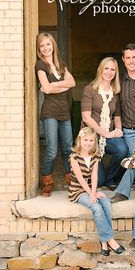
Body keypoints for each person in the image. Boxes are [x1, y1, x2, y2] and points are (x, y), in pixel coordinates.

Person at [68, 127, 125, 255]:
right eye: (85, 140)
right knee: (97, 208)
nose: (88, 143)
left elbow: (94, 176)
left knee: (105, 202)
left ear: (95, 142)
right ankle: (110, 240)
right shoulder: (74, 157)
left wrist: (94, 191)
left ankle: (104, 242)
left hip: (91, 189)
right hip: (78, 191)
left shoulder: (95, 157)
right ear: (80, 140)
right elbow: (81, 179)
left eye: (91, 140)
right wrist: (91, 194)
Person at [35, 32, 76, 197]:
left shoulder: (61, 65)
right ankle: (47, 181)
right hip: (50, 112)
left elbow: (72, 83)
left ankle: (72, 180)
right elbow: (47, 89)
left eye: (48, 44)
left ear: (53, 45)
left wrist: (55, 84)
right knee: (52, 149)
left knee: (68, 148)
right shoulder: (40, 65)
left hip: (64, 112)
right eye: (42, 45)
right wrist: (61, 85)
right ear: (39, 49)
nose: (46, 48)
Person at [81, 57, 128, 189]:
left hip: (109, 134)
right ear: (100, 70)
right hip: (92, 137)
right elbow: (86, 118)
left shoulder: (115, 93)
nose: (109, 72)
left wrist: (118, 130)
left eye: (112, 69)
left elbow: (117, 117)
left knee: (122, 149)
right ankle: (102, 177)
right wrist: (106, 134)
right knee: (99, 181)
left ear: (116, 72)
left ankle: (111, 178)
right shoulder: (89, 89)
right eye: (106, 68)